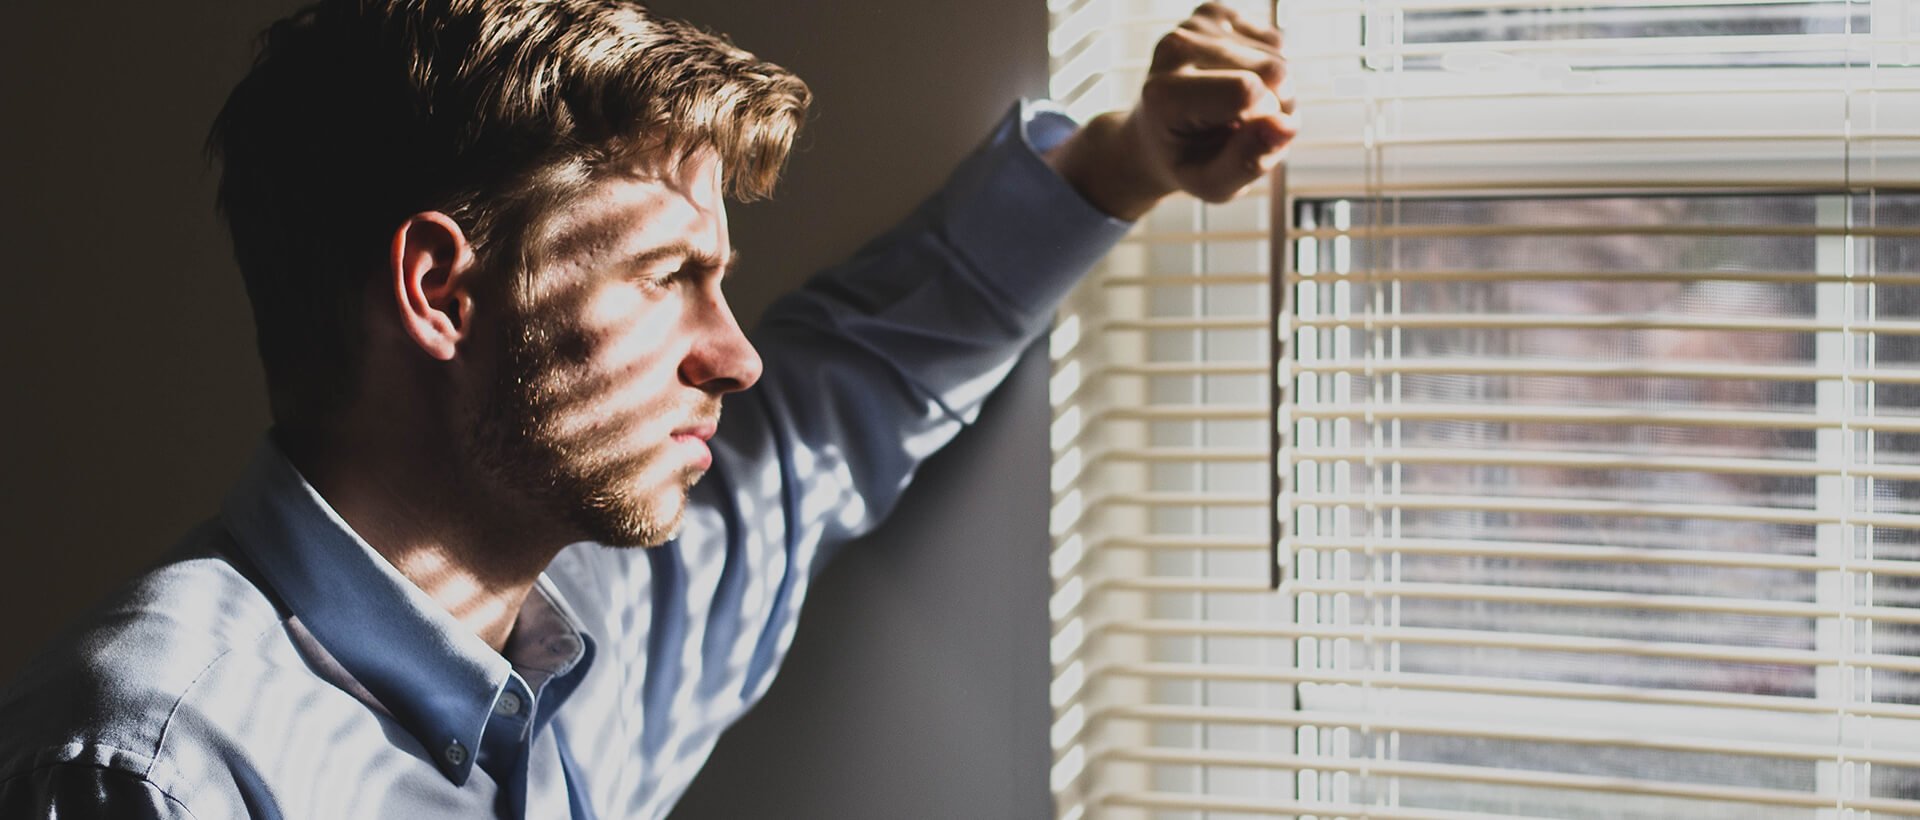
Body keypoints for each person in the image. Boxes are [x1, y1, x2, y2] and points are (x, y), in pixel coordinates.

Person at [0, 1, 1294, 817]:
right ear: (442, 291)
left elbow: (855, 387)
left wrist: (1124, 160)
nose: (734, 356)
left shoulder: (609, 621)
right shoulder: (147, 767)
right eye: (671, 278)